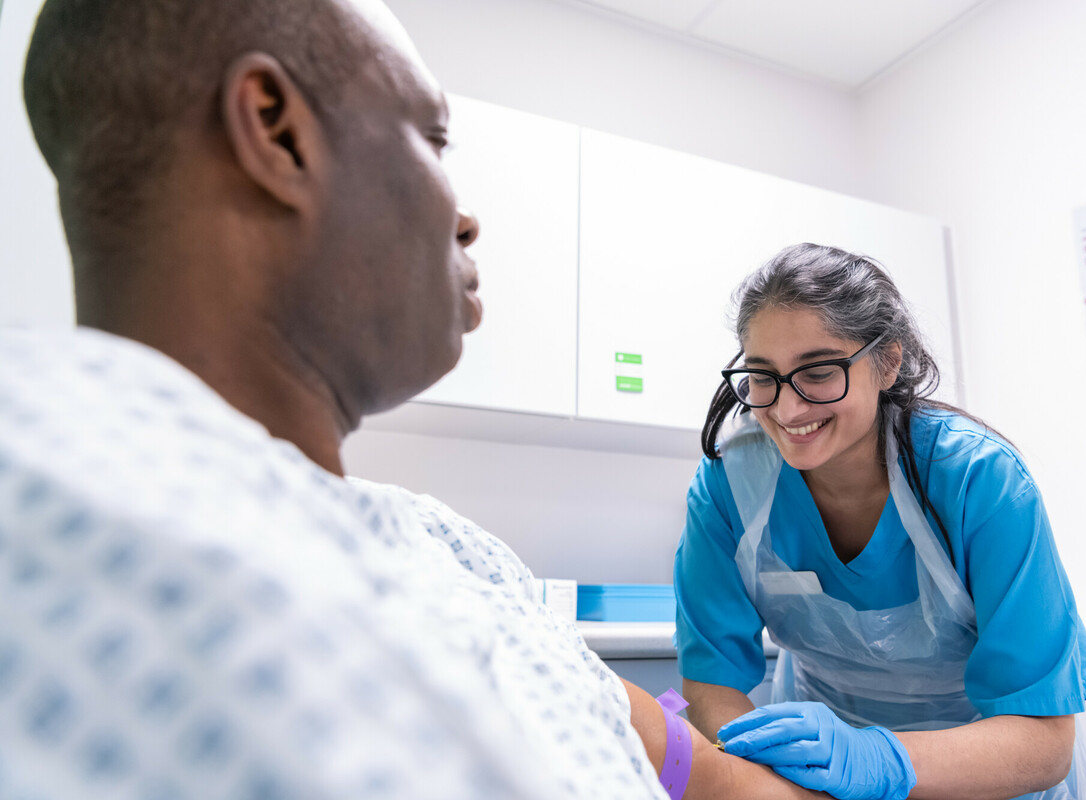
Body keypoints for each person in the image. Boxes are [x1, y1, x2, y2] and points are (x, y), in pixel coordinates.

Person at [2, 0, 826, 797]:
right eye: (433, 138)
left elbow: (709, 780)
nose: (465, 218)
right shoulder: (42, 481)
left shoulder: (453, 552)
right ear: (276, 130)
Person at [673, 243, 1086, 800]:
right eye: (763, 377)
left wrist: (875, 758)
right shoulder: (730, 484)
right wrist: (770, 778)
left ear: (888, 363)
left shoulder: (979, 479)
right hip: (815, 778)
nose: (787, 410)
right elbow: (711, 684)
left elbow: (1044, 745)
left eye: (819, 371)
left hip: (981, 771)